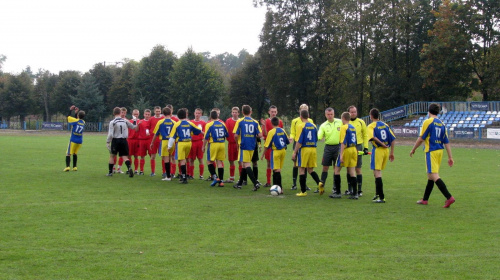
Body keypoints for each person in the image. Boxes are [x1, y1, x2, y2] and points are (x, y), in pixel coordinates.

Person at [410, 103, 455, 208]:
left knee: (434, 175)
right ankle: (425, 199)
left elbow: (421, 138)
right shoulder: (442, 123)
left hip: (431, 151)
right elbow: (446, 142)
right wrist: (450, 157)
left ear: (429, 112)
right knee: (430, 175)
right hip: (440, 151)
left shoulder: (428, 122)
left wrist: (413, 149)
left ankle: (449, 197)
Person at [367, 108, 396, 203]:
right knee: (376, 172)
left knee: (377, 172)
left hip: (378, 150)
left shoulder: (371, 126)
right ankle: (377, 194)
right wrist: (392, 152)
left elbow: (372, 137)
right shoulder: (385, 125)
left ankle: (381, 197)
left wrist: (382, 144)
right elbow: (393, 139)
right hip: (386, 151)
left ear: (371, 116)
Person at [291, 110, 323, 196]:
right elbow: (316, 138)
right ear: (308, 116)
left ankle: (303, 191)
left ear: (301, 117)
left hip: (304, 149)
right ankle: (319, 182)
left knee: (301, 169)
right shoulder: (314, 126)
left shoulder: (301, 126)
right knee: (310, 170)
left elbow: (298, 141)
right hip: (313, 149)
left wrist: (294, 152)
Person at [167, 108, 202, 184]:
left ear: (178, 116)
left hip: (181, 143)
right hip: (189, 143)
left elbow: (172, 136)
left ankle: (184, 177)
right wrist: (199, 128)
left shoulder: (177, 124)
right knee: (185, 159)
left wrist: (169, 146)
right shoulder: (190, 123)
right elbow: (198, 131)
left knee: (181, 160)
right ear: (186, 115)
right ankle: (186, 175)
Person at [233, 105, 263, 191]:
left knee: (246, 165)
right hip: (252, 145)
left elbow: (235, 135)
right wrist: (253, 134)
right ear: (251, 112)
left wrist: (237, 143)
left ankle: (255, 183)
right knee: (244, 165)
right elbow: (260, 135)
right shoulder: (255, 122)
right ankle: (239, 183)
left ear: (242, 112)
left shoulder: (240, 121)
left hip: (243, 145)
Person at [316, 108, 343, 197]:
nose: (330, 116)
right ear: (325, 115)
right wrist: (316, 138)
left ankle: (335, 187)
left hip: (338, 147)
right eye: (328, 114)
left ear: (334, 114)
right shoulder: (323, 125)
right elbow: (319, 136)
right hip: (328, 148)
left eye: (331, 114)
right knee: (325, 167)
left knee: (336, 168)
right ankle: (321, 186)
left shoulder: (340, 122)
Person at [332, 112, 359, 199]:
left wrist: (341, 155)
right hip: (354, 149)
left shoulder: (344, 127)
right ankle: (355, 193)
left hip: (346, 150)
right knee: (352, 171)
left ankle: (338, 192)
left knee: (336, 170)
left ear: (343, 118)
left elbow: (343, 142)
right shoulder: (353, 127)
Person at [261, 116, 290, 194]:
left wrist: (262, 154)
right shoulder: (283, 130)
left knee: (276, 170)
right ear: (279, 123)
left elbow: (266, 145)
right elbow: (288, 141)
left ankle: (279, 188)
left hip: (276, 151)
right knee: (277, 169)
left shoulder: (271, 132)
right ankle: (275, 186)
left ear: (271, 123)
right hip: (283, 151)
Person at [106, 107, 137, 177]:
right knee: (125, 157)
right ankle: (129, 167)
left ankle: (110, 172)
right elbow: (133, 127)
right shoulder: (125, 121)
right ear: (120, 113)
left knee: (112, 156)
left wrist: (108, 142)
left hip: (116, 140)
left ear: (114, 113)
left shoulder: (112, 122)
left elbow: (110, 134)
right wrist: (135, 120)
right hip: (124, 140)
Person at [289, 104, 314, 190]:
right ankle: (294, 184)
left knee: (305, 164)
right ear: (299, 111)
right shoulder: (295, 121)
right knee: (296, 164)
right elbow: (292, 132)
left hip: (306, 144)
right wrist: (291, 137)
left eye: (306, 109)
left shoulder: (310, 121)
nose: (304, 111)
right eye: (302, 109)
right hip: (297, 143)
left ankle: (304, 185)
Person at [203, 110, 229, 187]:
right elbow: (227, 134)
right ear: (217, 116)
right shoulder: (222, 123)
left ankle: (215, 177)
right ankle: (221, 182)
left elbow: (206, 137)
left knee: (209, 161)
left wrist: (203, 146)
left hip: (213, 144)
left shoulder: (209, 124)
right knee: (219, 162)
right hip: (222, 144)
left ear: (210, 116)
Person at [260, 105, 284, 188]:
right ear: (269, 112)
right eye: (272, 111)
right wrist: (264, 126)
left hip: (277, 147)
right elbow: (265, 135)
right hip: (269, 146)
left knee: (277, 165)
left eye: (275, 112)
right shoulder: (266, 121)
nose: (273, 113)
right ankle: (268, 182)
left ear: (277, 112)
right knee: (269, 164)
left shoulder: (280, 122)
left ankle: (277, 183)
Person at [151, 107, 176, 181]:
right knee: (172, 158)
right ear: (170, 113)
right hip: (172, 141)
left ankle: (168, 176)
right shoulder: (174, 122)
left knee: (166, 159)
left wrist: (152, 142)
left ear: (163, 113)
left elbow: (156, 134)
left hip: (164, 141)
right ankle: (172, 174)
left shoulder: (160, 122)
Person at [348, 105, 368, 196]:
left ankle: (359, 190)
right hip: (348, 147)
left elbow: (365, 135)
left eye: (355, 112)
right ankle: (350, 189)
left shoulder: (361, 122)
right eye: (352, 112)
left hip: (358, 146)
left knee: (358, 168)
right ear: (348, 113)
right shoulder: (345, 122)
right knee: (349, 168)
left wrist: (366, 147)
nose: (353, 113)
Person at [63, 105, 85, 172]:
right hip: (80, 141)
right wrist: (76, 113)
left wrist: (70, 110)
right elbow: (77, 120)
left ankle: (67, 167)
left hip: (73, 140)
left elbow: (68, 118)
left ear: (78, 115)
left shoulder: (75, 121)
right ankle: (75, 167)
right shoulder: (83, 122)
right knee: (75, 153)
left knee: (68, 153)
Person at [225, 107, 242, 182]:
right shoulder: (228, 121)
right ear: (231, 113)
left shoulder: (241, 121)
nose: (234, 113)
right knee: (231, 160)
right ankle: (232, 177)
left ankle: (241, 178)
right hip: (231, 144)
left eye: (236, 112)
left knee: (240, 161)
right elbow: (226, 132)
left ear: (238, 113)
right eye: (233, 112)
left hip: (239, 144)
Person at [188, 108, 206, 179]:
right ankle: (191, 175)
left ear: (201, 114)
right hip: (192, 142)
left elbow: (205, 133)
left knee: (200, 158)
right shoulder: (190, 122)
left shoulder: (203, 123)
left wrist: (199, 131)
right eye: (196, 113)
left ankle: (201, 175)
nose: (197, 114)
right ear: (194, 113)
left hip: (199, 142)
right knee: (191, 159)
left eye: (199, 113)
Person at [148, 106, 165, 177]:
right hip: (153, 139)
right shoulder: (151, 119)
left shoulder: (163, 118)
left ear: (160, 111)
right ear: (154, 111)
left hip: (161, 139)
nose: (158, 112)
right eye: (156, 111)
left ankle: (164, 172)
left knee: (163, 156)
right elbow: (148, 128)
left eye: (159, 111)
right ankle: (152, 172)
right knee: (153, 156)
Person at [113, 107, 129, 174]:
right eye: (122, 112)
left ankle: (119, 168)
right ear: (120, 113)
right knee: (114, 154)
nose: (123, 114)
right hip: (116, 139)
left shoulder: (126, 121)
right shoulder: (116, 120)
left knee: (122, 155)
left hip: (123, 139)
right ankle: (113, 168)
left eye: (124, 113)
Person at [136, 109, 152, 175]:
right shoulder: (140, 121)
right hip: (142, 140)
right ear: (143, 114)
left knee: (152, 156)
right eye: (146, 114)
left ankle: (152, 171)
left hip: (149, 140)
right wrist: (138, 125)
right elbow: (136, 130)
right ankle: (141, 171)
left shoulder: (152, 121)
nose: (147, 116)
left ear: (150, 115)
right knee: (142, 156)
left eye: (148, 114)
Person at [166, 104, 179, 178]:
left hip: (173, 141)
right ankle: (165, 172)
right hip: (165, 141)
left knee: (173, 157)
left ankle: (173, 173)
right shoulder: (163, 119)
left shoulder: (175, 119)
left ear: (172, 110)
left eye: (170, 110)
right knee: (166, 157)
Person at [128, 109, 140, 174]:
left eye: (137, 114)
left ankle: (136, 170)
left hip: (137, 140)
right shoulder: (129, 121)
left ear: (138, 114)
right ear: (132, 114)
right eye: (134, 114)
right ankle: (129, 169)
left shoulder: (140, 121)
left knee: (136, 155)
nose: (135, 115)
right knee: (129, 155)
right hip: (130, 140)